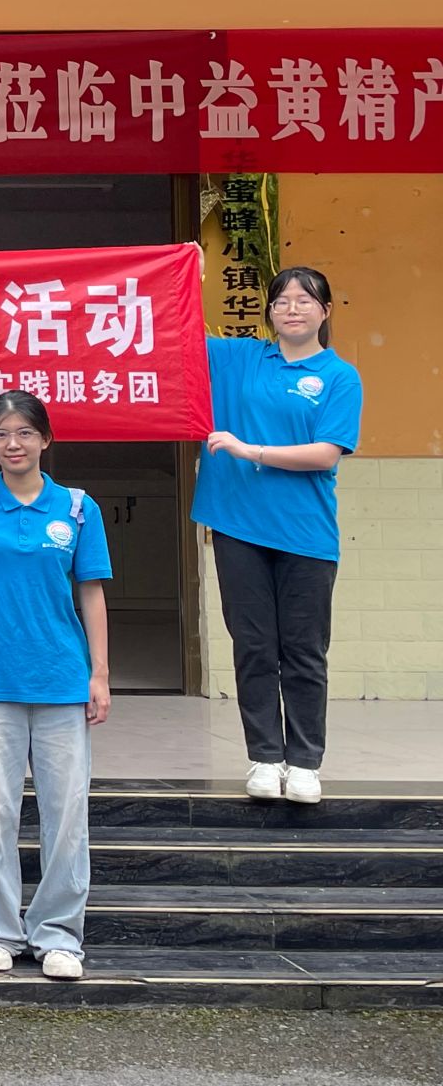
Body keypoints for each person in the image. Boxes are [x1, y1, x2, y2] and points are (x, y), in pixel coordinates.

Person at [0, 390, 111, 983]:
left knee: (66, 813)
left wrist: (99, 673)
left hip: (62, 679)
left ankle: (59, 934)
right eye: (0, 434)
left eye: (24, 432)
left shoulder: (77, 508)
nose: (12, 443)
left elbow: (91, 590)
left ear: (45, 439)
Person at [194, 266, 363, 805]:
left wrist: (251, 451)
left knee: (304, 651)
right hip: (238, 527)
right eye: (282, 300)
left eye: (305, 300)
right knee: (254, 647)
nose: (292, 309)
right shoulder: (241, 359)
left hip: (305, 535)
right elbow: (179, 335)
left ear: (325, 311)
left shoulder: (339, 377)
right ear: (269, 311)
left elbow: (326, 453)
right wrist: (190, 274)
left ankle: (305, 762)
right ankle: (265, 758)